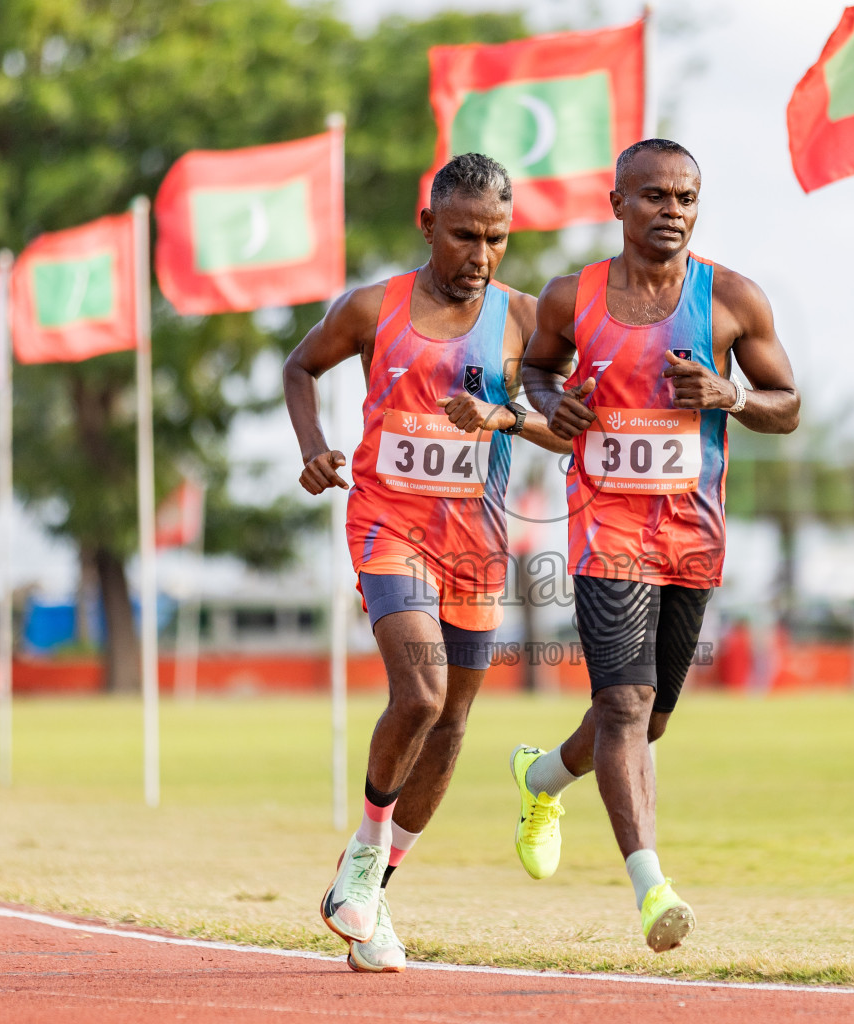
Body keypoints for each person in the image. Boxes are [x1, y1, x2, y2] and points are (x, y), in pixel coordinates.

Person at [512, 139, 801, 952]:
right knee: (623, 706)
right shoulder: (573, 296)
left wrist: (729, 395)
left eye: (685, 198)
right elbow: (537, 371)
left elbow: (789, 403)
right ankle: (651, 888)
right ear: (617, 205)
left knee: (651, 720)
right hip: (605, 527)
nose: (671, 211)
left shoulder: (733, 298)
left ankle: (539, 779)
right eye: (654, 197)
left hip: (691, 534)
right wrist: (556, 406)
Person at [283, 153, 569, 972]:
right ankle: (366, 856)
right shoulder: (374, 308)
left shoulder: (522, 321)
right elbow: (299, 366)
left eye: (497, 239)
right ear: (427, 226)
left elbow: (565, 425)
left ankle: (369, 893)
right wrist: (313, 448)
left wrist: (503, 415)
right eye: (465, 236)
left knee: (451, 726)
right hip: (388, 526)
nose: (480, 256)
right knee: (421, 691)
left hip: (476, 545)